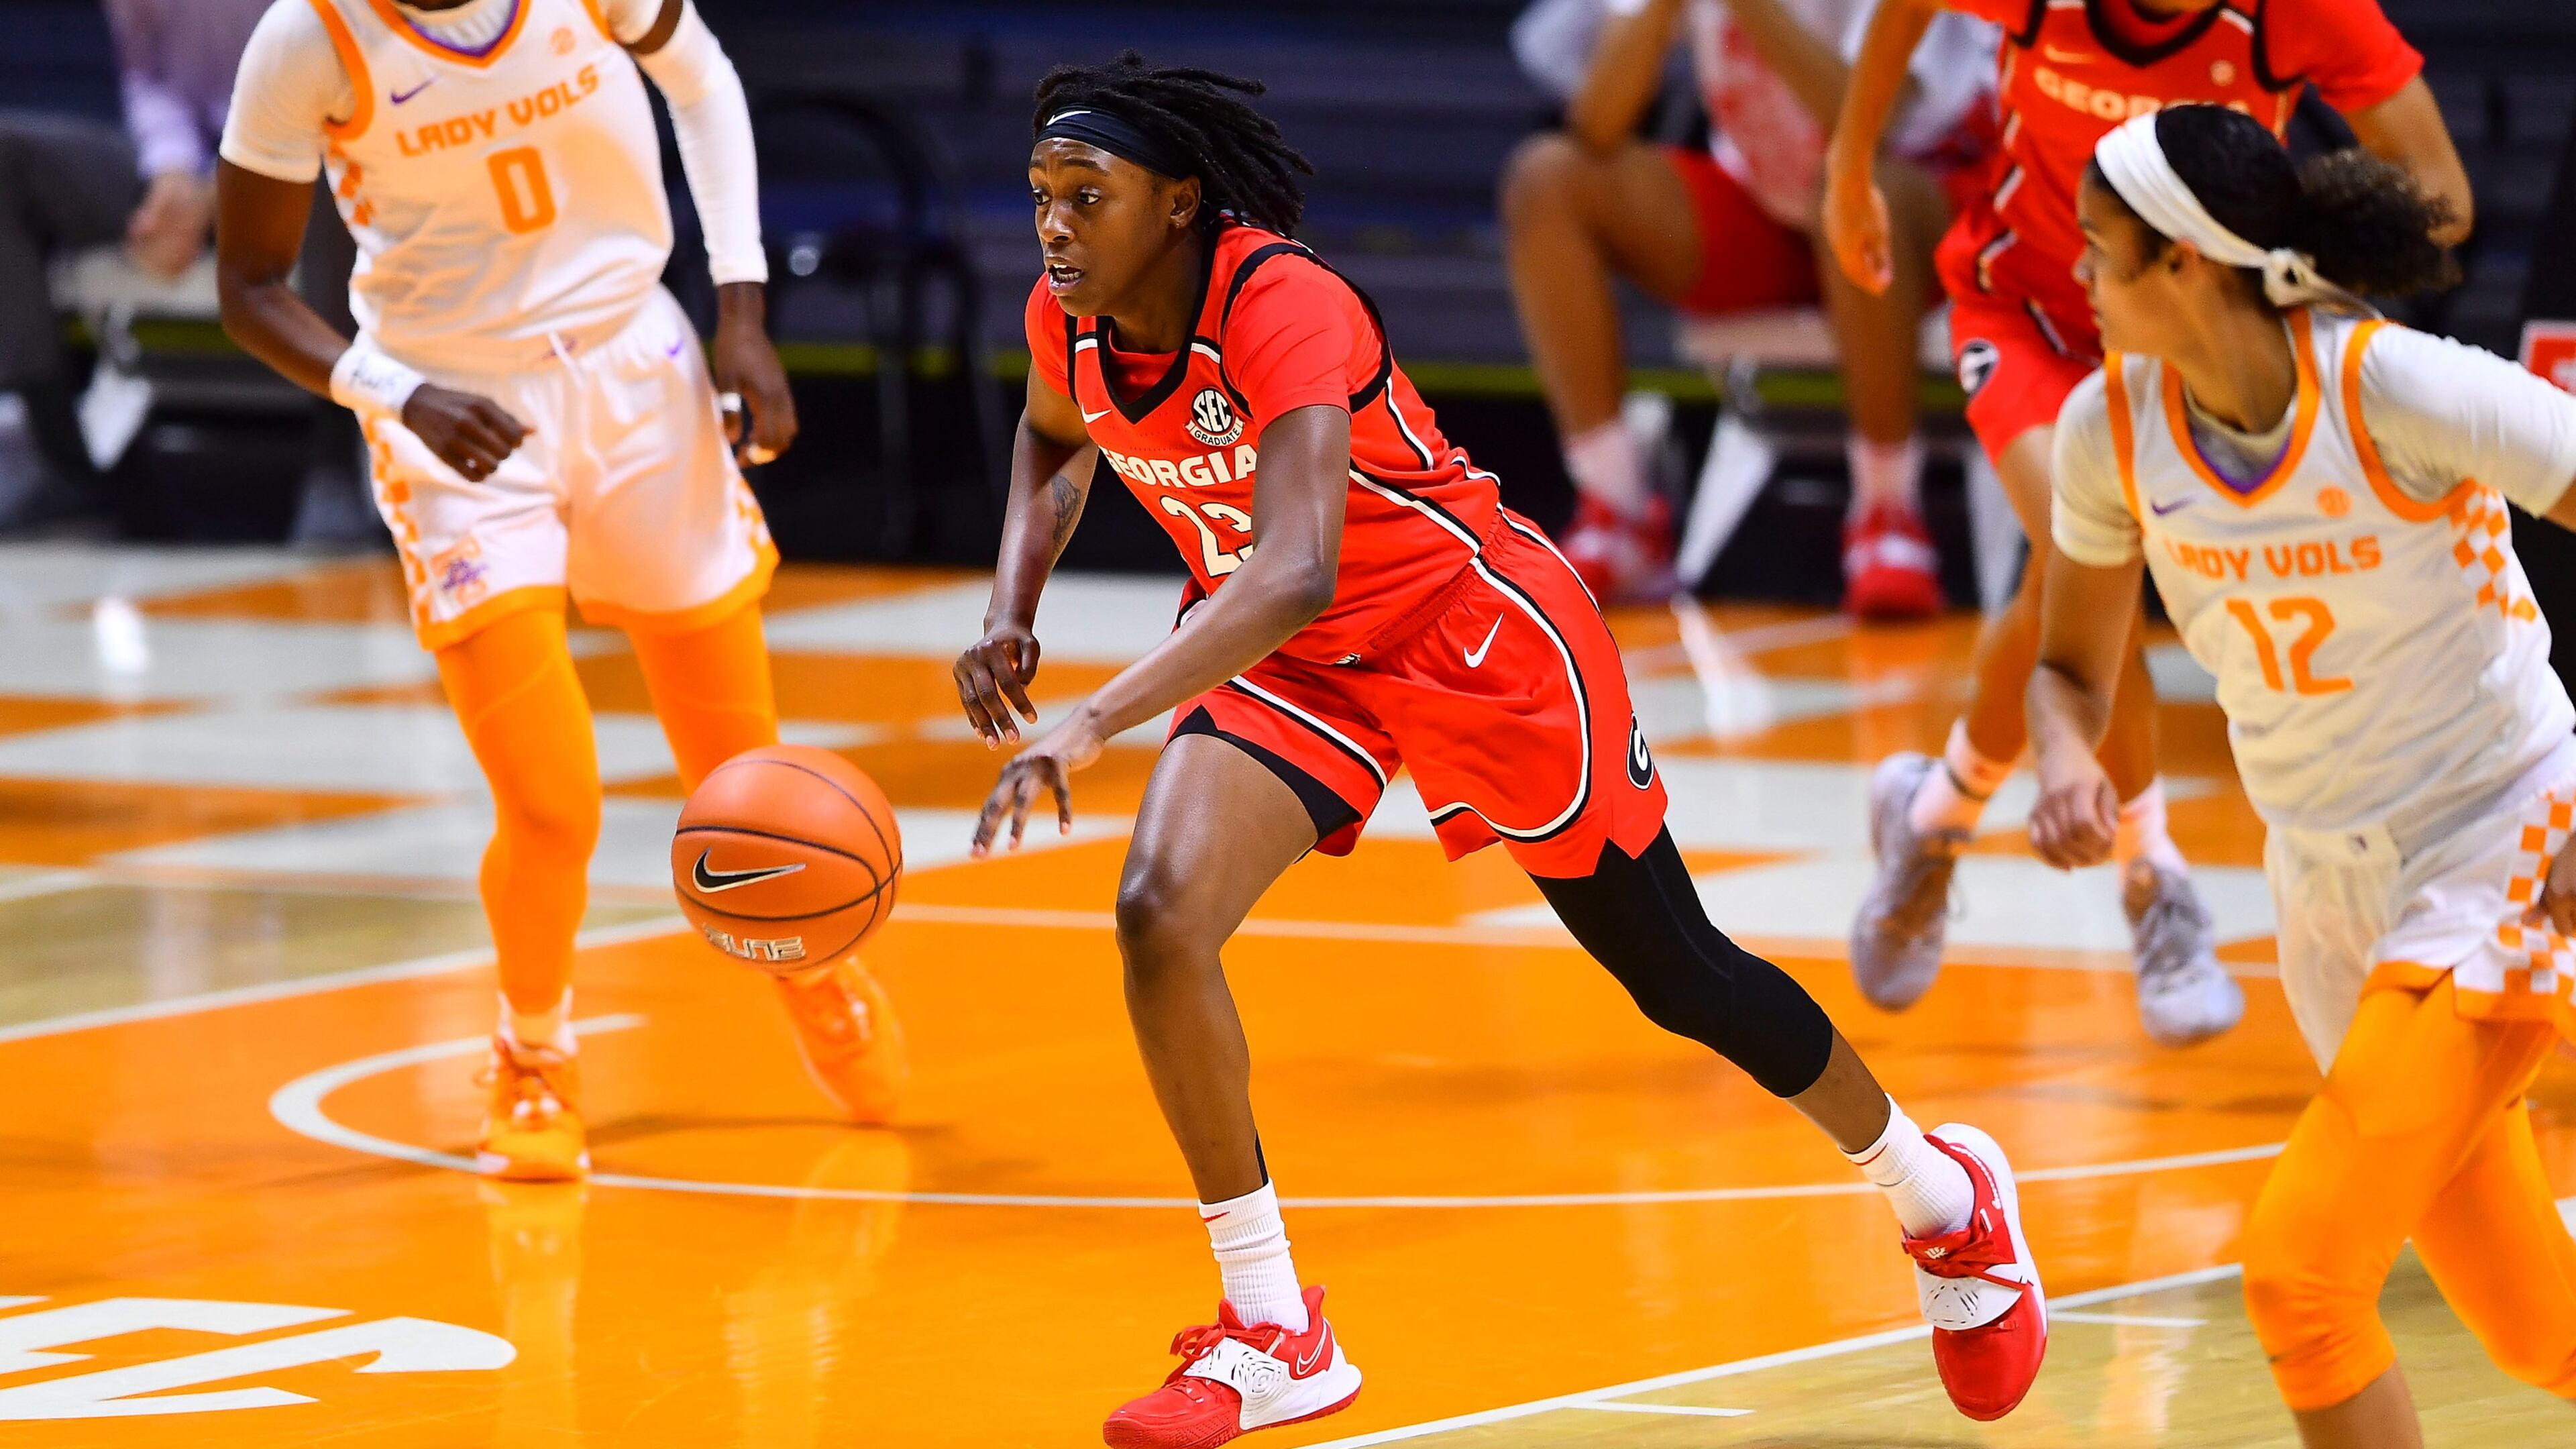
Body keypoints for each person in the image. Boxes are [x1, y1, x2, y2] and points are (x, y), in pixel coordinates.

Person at [959, 51, 2048, 1448]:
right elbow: (1056, 445)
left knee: (1680, 978)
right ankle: (1274, 1325)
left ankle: (1942, 1200)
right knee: (1160, 916)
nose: (1053, 226)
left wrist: (1095, 716)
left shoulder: (1282, 301)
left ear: (1178, 203)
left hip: (1469, 635)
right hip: (1294, 663)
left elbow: (1296, 564)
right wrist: (1009, 610)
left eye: (1085, 195)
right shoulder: (1072, 320)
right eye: (1042, 194)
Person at [212, 0, 905, 1178]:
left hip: (638, 368)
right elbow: (250, 288)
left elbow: (703, 81)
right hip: (452, 410)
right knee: (549, 805)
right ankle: (533, 1048)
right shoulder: (306, 39)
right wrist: (395, 394)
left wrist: (742, 309)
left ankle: (813, 958)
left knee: (743, 781)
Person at [2027, 104, 2576, 1449]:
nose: (2076, 280)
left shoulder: (2397, 389)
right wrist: (2058, 758)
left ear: (2187, 268)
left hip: (2502, 837)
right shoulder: (2111, 433)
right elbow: (2067, 674)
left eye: (2097, 252)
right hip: (2326, 892)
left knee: (2302, 1281)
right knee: (2540, 1332)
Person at [1823, 0, 2475, 1045]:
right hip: (2025, 313)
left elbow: (2442, 189)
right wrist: (1847, 172)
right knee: (2098, 555)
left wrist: (2291, 270)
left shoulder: (2300, 16)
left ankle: (1936, 812)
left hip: (2173, 339)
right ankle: (2153, 880)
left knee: (2060, 589)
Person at [1502, 0, 1995, 613]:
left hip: (1921, 206)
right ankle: (1618, 511)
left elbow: (1862, 125)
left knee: (1860, 189)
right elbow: (1596, 125)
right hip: (1772, 213)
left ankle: (1888, 512)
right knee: (1548, 179)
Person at [0, 0, 272, 516]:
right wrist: (171, 173)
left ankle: (338, 462)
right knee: (5, 158)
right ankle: (63, 455)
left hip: (304, 163)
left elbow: (335, 87)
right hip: (183, 162)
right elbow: (148, 77)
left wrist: (222, 188)